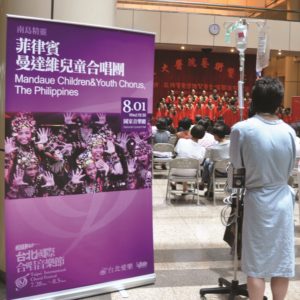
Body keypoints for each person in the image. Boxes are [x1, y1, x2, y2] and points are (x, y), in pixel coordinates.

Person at [230, 77, 296, 300]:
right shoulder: (289, 132)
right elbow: (291, 168)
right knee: (281, 259)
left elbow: (237, 166)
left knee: (255, 262)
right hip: (282, 199)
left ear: (253, 100)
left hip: (257, 199)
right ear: (279, 102)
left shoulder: (241, 129)